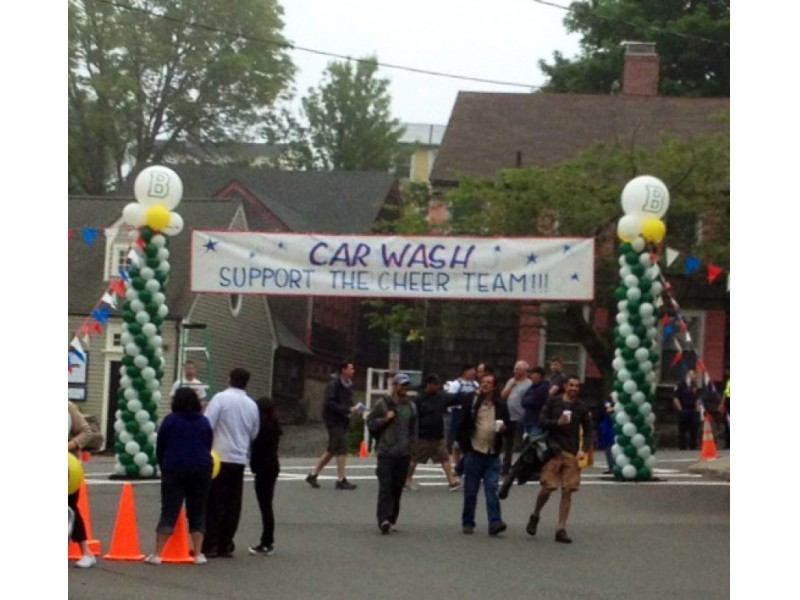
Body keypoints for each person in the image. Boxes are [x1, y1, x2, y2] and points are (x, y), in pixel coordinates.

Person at [146, 388, 213, 565]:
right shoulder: (204, 422)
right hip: (201, 467)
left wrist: (164, 467)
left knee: (169, 510)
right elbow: (208, 443)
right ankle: (198, 553)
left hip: (175, 467)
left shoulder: (170, 420)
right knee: (198, 511)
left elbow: (161, 446)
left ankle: (158, 553)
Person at [526, 375, 593, 543]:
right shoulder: (553, 402)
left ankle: (561, 528)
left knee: (567, 490)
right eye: (571, 385)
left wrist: (583, 450)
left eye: (577, 386)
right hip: (553, 451)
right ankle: (535, 514)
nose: (574, 389)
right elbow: (541, 422)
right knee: (548, 488)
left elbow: (589, 431)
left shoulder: (581, 407)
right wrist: (557, 422)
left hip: (571, 452)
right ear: (565, 386)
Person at [202, 367, 260, 558]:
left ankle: (210, 543)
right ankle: (226, 542)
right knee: (233, 503)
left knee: (214, 502)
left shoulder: (220, 398)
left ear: (229, 379)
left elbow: (207, 423)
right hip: (239, 457)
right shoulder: (252, 405)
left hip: (220, 456)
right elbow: (254, 432)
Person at [455, 372, 510, 536]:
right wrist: (465, 447)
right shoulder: (472, 402)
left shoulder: (500, 405)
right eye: (483, 382)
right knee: (471, 490)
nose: (484, 385)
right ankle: (468, 522)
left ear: (494, 387)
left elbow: (509, 425)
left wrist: (504, 429)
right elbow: (462, 424)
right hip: (474, 451)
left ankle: (495, 522)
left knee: (491, 488)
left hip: (492, 452)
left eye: (488, 382)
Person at [367, 373, 418, 534]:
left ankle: (392, 518)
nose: (404, 388)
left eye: (406, 385)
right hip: (386, 452)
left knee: (397, 487)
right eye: (401, 385)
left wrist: (412, 451)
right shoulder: (383, 403)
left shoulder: (411, 406)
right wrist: (385, 419)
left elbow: (413, 430)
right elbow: (370, 423)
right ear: (394, 386)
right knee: (385, 486)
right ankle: (383, 519)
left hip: (403, 453)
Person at [306, 361, 362, 490]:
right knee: (341, 448)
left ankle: (313, 475)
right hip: (333, 420)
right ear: (343, 370)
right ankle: (341, 479)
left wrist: (353, 409)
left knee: (332, 450)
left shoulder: (347, 385)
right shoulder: (334, 384)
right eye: (351, 368)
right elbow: (330, 403)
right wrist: (347, 409)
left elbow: (348, 401)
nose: (353, 370)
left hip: (342, 420)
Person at [405, 374, 462, 492]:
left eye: (438, 384)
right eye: (435, 384)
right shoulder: (419, 399)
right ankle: (407, 479)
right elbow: (412, 416)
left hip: (438, 435)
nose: (437, 386)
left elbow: (455, 398)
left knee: (445, 458)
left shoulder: (441, 397)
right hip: (423, 436)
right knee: (414, 459)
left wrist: (468, 396)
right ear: (429, 384)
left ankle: (451, 481)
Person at [248, 397, 283, 556]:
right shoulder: (274, 426)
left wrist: (253, 466)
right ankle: (267, 540)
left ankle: (266, 541)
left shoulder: (260, 427)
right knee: (267, 505)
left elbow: (255, 450)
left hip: (263, 468)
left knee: (265, 506)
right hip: (273, 466)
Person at [69, 401, 96, 568]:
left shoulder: (68, 407)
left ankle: (86, 552)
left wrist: (69, 445)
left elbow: (86, 432)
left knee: (70, 507)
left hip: (68, 466)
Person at [500, 360, 532, 480]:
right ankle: (505, 468)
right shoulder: (511, 381)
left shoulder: (529, 384)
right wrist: (511, 385)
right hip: (509, 417)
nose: (515, 371)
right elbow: (503, 396)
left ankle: (521, 469)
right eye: (515, 369)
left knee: (521, 444)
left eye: (518, 369)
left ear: (524, 371)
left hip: (522, 417)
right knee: (508, 444)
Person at [445, 365, 480, 472]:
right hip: (457, 413)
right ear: (465, 371)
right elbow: (450, 399)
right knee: (456, 441)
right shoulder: (456, 384)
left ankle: (465, 464)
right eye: (472, 370)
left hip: (471, 413)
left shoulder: (475, 384)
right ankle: (456, 463)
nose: (474, 373)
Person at [673, 369, 701, 450]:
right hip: (684, 409)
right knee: (682, 430)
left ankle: (693, 447)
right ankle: (682, 447)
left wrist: (697, 410)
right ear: (687, 375)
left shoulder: (695, 386)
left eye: (694, 375)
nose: (694, 376)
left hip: (693, 410)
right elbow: (675, 398)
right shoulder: (680, 385)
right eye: (692, 374)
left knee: (694, 430)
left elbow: (697, 399)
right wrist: (680, 409)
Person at [521, 366, 549, 436]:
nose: (531, 375)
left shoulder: (543, 388)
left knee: (535, 442)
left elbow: (534, 401)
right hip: (527, 420)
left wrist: (527, 400)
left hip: (536, 421)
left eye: (533, 373)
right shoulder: (531, 387)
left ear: (539, 375)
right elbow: (523, 400)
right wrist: (527, 400)